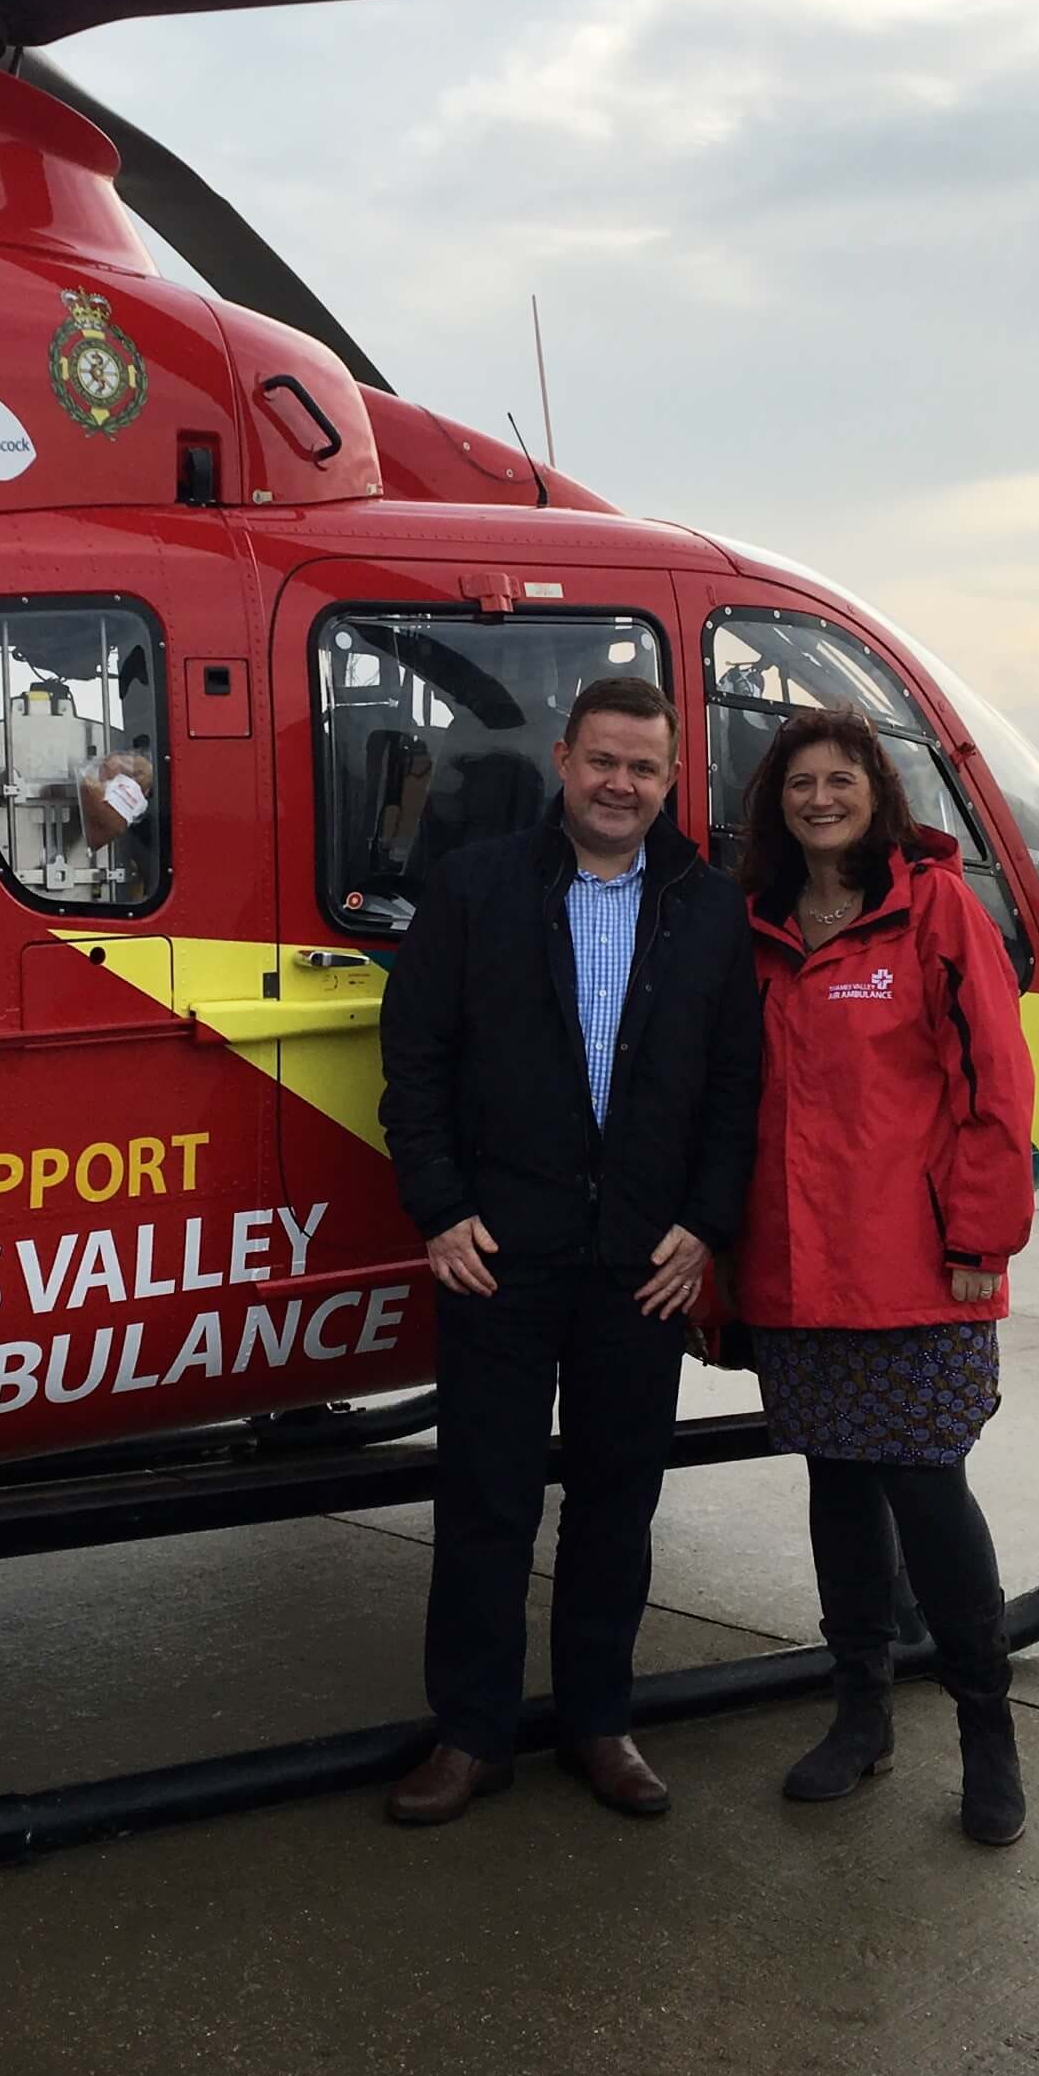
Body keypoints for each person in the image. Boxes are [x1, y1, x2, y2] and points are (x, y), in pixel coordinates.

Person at [379, 677, 762, 1825]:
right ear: (563, 759)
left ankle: (601, 1721)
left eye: (643, 767)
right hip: (499, 1253)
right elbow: (415, 1060)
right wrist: (440, 1209)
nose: (620, 784)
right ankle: (472, 1734)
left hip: (643, 1264)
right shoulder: (476, 885)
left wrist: (706, 1224)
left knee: (615, 1505)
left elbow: (737, 1086)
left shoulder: (709, 908)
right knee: (484, 1504)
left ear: (671, 778)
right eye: (603, 760)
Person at [732, 708, 1036, 1845]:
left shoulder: (935, 908)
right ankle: (860, 1713)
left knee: (927, 1491)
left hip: (916, 1269)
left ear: (878, 792)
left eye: (840, 779)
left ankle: (987, 1729)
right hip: (797, 1269)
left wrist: (977, 1240)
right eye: (799, 782)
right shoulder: (757, 923)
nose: (819, 798)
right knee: (838, 1492)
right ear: (777, 802)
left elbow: (994, 1083)